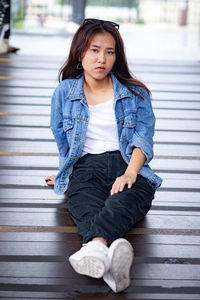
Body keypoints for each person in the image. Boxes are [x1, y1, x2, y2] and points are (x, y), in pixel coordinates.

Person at [45, 18, 162, 293]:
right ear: (80, 52)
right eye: (94, 50)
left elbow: (142, 138)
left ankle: (96, 248)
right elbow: (62, 137)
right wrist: (64, 171)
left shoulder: (135, 93)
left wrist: (130, 172)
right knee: (84, 205)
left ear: (116, 57)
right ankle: (109, 263)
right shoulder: (64, 92)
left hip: (127, 164)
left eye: (110, 52)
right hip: (85, 168)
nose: (102, 59)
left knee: (123, 202)